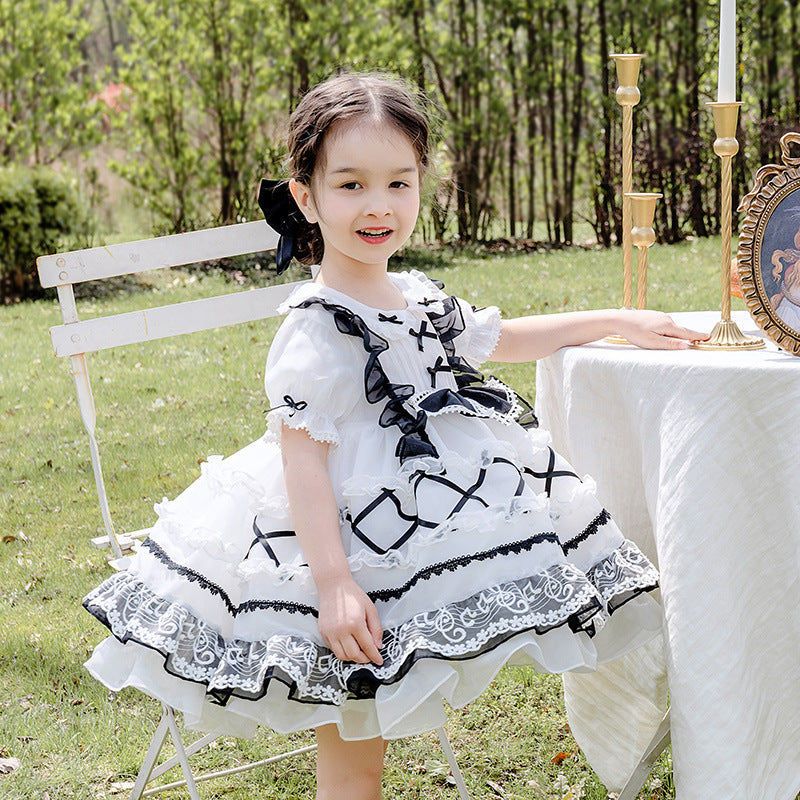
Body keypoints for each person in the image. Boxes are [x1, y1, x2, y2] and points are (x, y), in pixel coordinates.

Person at [82, 72, 708, 800]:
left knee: (369, 731)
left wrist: (615, 320)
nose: (378, 207)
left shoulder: (415, 294)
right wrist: (335, 585)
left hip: (427, 515)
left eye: (398, 184)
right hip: (344, 540)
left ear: (420, 186)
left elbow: (499, 339)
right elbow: (303, 461)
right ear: (307, 197)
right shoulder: (316, 325)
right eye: (350, 185)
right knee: (355, 739)